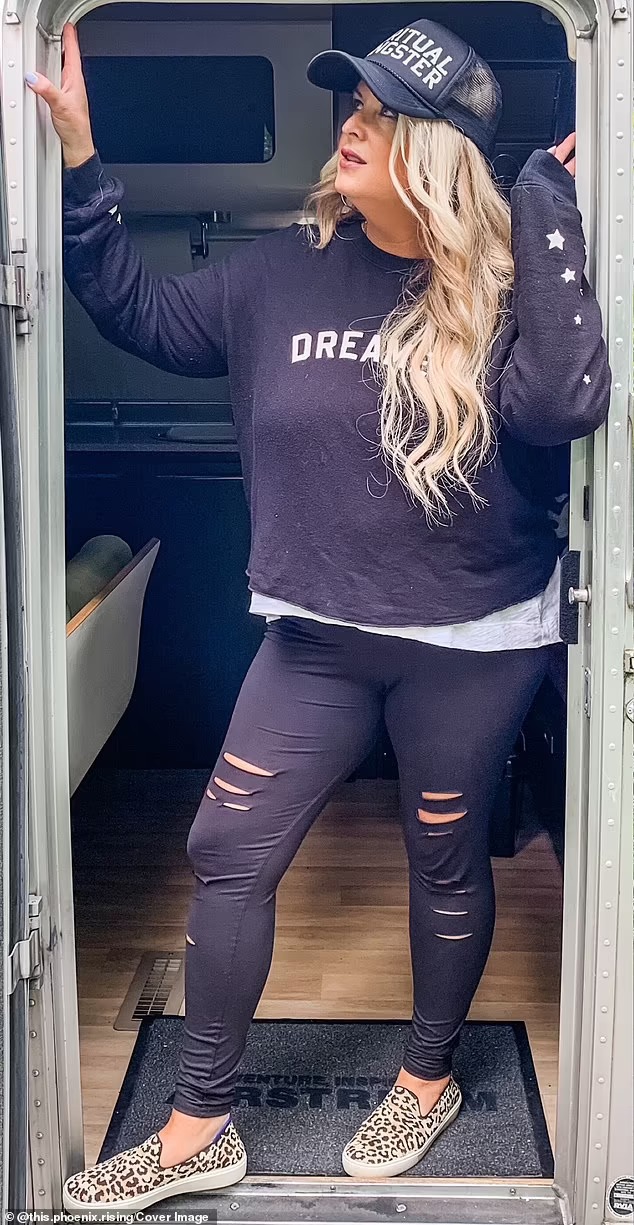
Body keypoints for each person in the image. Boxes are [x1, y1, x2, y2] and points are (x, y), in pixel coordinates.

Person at [26, 15, 610, 1210]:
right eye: (353, 103)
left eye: (382, 114)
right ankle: (198, 1126)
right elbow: (137, 313)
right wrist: (83, 161)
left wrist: (547, 207)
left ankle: (427, 1078)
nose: (350, 124)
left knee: (443, 859)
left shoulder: (504, 287)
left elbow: (564, 404)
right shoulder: (278, 272)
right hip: (315, 638)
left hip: (470, 646)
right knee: (226, 852)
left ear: (436, 154)